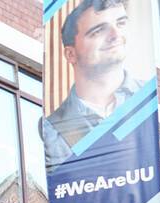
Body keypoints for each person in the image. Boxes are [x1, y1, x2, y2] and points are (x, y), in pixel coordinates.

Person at [41, 0, 143, 169]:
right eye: (98, 30)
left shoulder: (149, 102)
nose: (115, 34)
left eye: (121, 23)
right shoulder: (53, 129)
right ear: (71, 54)